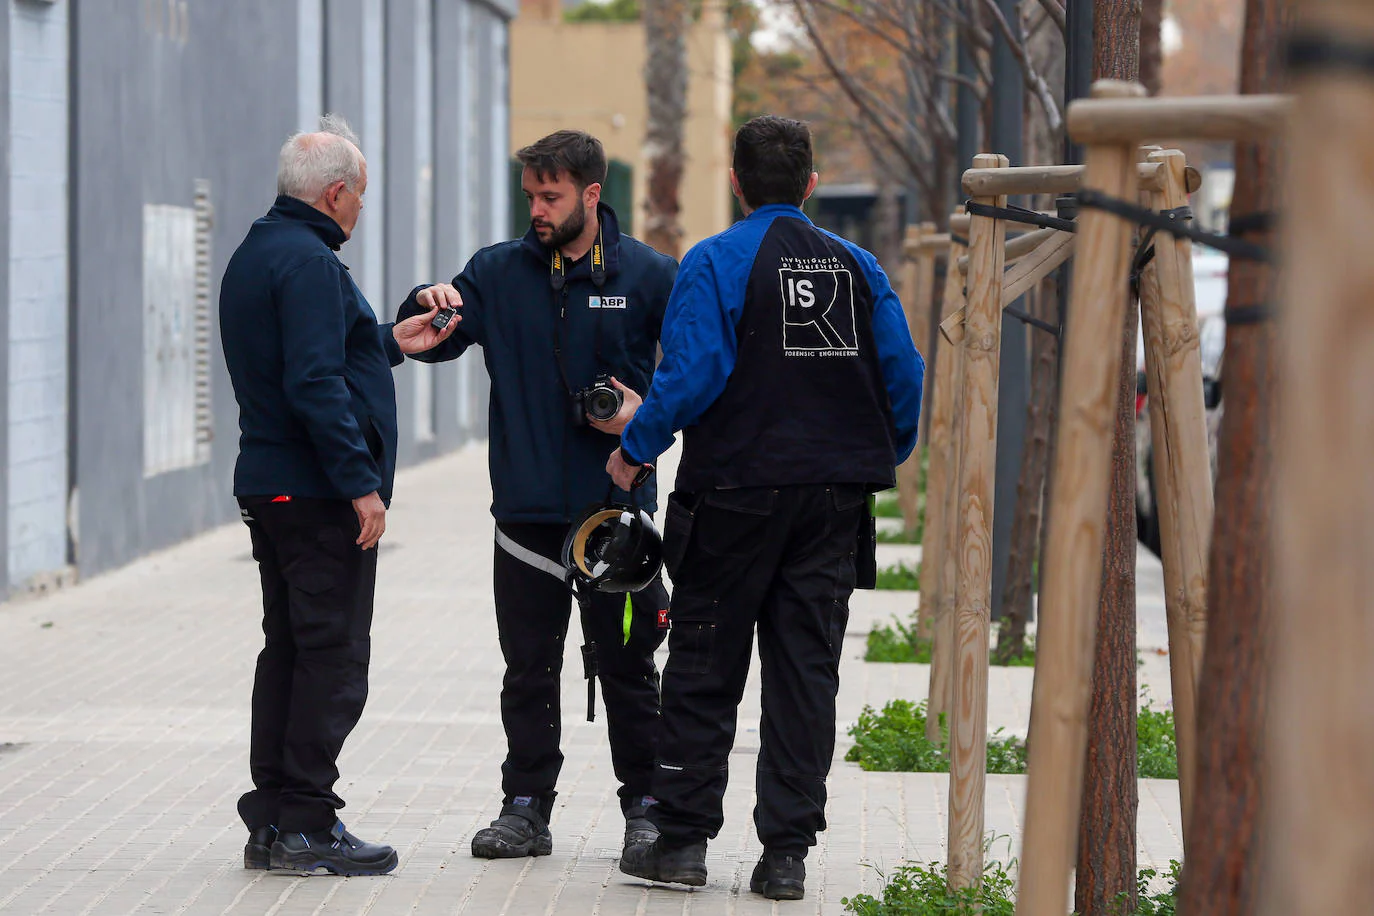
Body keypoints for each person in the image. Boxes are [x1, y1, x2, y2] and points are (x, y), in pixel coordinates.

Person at [608, 115, 925, 900]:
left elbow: (692, 374)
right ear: (812, 183)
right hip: (832, 501)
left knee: (705, 665)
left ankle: (681, 844)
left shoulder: (716, 260)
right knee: (804, 673)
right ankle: (785, 856)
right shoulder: (858, 267)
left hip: (733, 497)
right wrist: (875, 451)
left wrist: (635, 447)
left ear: (736, 182)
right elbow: (906, 378)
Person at [394, 130, 677, 860]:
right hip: (522, 517)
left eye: (550, 195)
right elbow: (441, 327)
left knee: (629, 668)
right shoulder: (497, 272)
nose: (537, 209)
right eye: (530, 195)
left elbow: (691, 381)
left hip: (614, 521)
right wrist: (424, 304)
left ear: (591, 192)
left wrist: (639, 417)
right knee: (527, 670)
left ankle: (647, 811)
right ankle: (524, 808)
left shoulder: (648, 275)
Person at [220, 114, 463, 876]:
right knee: (333, 657)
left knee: (290, 650)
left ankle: (274, 819)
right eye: (359, 194)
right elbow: (315, 383)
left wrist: (392, 340)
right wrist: (361, 485)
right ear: (334, 193)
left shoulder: (261, 253)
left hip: (273, 485)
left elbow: (318, 356)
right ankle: (307, 826)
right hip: (317, 493)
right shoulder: (311, 264)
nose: (361, 207)